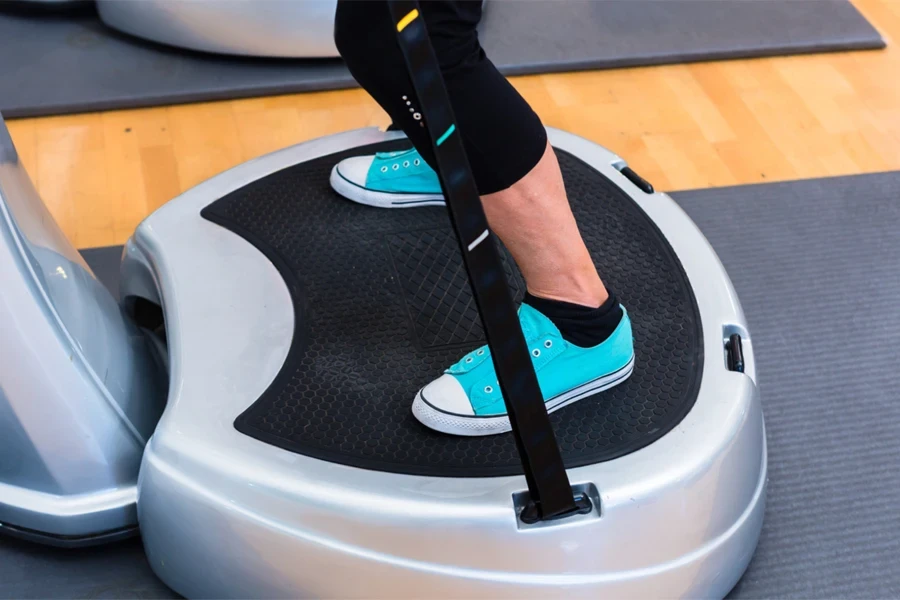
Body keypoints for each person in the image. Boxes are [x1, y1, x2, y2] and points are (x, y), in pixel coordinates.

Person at [331, 0, 634, 436]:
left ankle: (582, 322)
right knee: (384, 23)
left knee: (411, 39)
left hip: (580, 331)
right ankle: (452, 161)